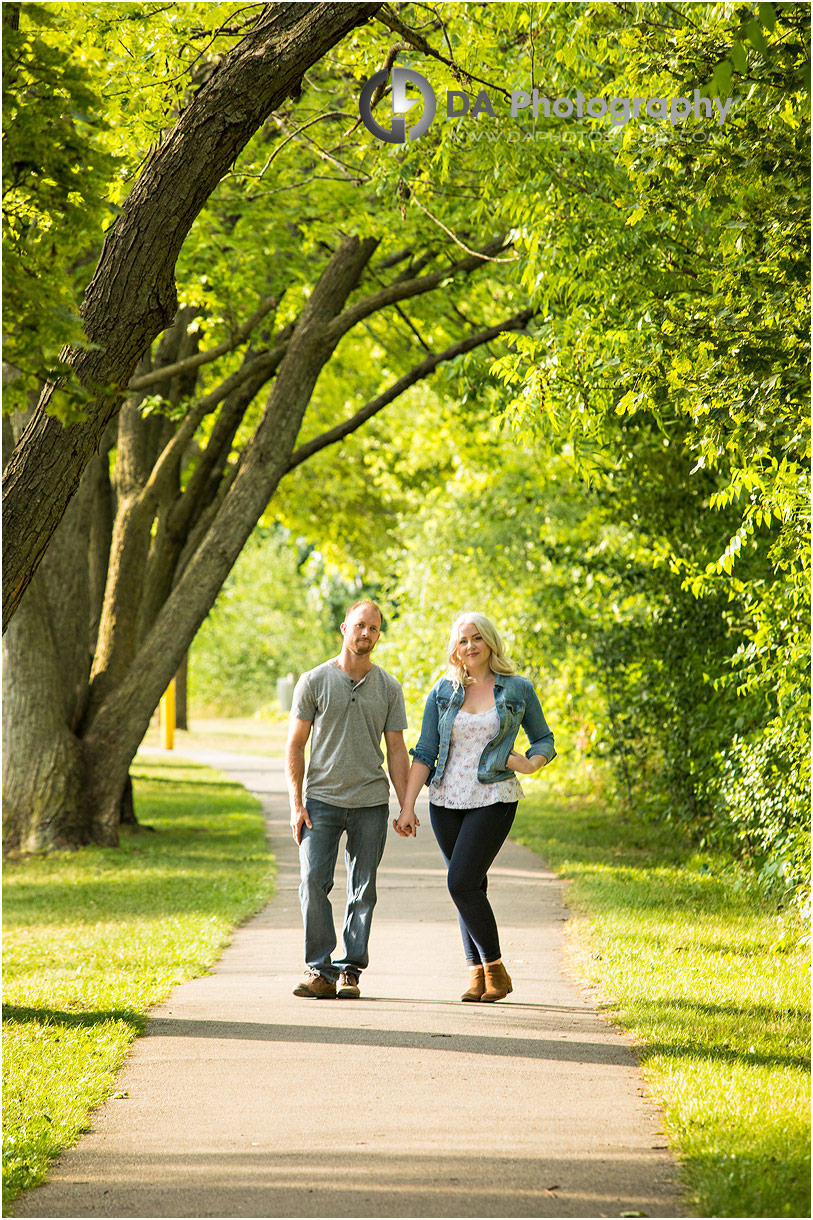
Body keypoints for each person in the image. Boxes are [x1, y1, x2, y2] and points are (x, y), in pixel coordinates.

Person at [394, 612, 555, 1003]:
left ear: (490, 643)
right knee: (470, 886)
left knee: (460, 881)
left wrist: (531, 763)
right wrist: (407, 806)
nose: (470, 646)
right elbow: (426, 752)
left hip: (494, 795)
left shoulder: (517, 689)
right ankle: (476, 974)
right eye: (462, 640)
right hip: (446, 800)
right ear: (455, 649)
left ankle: (496, 968)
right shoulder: (442, 692)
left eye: (477, 638)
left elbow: (544, 739)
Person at [286, 600, 409, 1000]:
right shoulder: (314, 681)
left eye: (374, 629)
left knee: (363, 889)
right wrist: (296, 802)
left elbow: (396, 750)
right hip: (320, 800)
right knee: (311, 882)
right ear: (344, 628)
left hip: (371, 803)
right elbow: (296, 744)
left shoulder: (389, 688)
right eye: (360, 626)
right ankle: (318, 970)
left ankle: (350, 970)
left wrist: (406, 805)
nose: (366, 634)